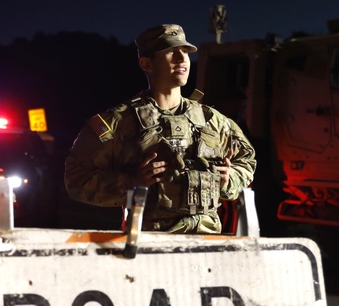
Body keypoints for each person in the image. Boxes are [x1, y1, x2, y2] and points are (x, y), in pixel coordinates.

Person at [65, 23, 256, 233]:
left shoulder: (213, 120)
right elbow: (76, 177)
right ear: (147, 64)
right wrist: (131, 183)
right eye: (171, 52)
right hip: (149, 244)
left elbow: (247, 161)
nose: (182, 58)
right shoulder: (119, 122)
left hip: (207, 242)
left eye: (185, 51)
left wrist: (230, 179)